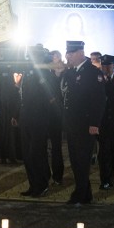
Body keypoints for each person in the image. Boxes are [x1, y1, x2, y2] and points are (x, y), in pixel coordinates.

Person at [61, 40, 105, 205]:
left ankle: (79, 195)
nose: (67, 57)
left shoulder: (92, 73)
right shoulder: (72, 71)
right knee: (75, 159)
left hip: (86, 124)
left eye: (70, 54)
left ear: (80, 53)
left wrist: (94, 123)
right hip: (73, 123)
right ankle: (86, 193)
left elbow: (99, 100)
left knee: (82, 160)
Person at [19, 46, 53, 198]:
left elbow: (49, 99)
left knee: (36, 153)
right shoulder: (28, 73)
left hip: (39, 119)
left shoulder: (45, 73)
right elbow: (22, 97)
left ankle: (42, 184)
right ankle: (33, 184)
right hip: (26, 117)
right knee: (27, 154)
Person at [97, 55, 114, 190]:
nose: (106, 68)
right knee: (103, 152)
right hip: (102, 122)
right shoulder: (97, 79)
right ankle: (104, 179)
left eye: (108, 66)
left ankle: (111, 174)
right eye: (104, 66)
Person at [0, 72, 22, 164]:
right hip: (3, 106)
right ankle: (1, 155)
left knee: (14, 131)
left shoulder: (18, 72)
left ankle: (14, 155)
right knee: (1, 130)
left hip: (15, 105)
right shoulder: (0, 74)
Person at [47, 49, 66, 185]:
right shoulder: (47, 74)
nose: (56, 59)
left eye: (57, 57)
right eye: (54, 57)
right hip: (47, 112)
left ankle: (58, 175)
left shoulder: (66, 73)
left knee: (56, 146)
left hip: (61, 114)